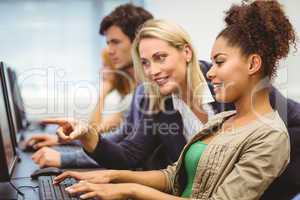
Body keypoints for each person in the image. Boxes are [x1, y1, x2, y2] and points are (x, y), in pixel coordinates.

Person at [53, 0, 295, 198]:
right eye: (145, 63)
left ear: (186, 52)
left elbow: (289, 122)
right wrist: (91, 141)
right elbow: (140, 159)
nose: (152, 71)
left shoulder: (232, 84)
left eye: (160, 57)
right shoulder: (159, 99)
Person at [27, 3, 154, 168]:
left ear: (139, 42)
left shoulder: (152, 89)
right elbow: (114, 138)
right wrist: (63, 140)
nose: (109, 50)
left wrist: (63, 158)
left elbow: (127, 151)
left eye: (115, 42)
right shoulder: (139, 90)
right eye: (108, 43)